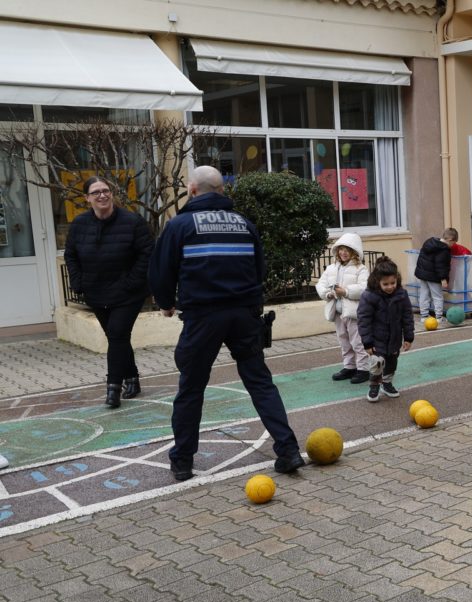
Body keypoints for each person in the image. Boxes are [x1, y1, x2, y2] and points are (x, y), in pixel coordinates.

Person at [149, 166, 304, 482]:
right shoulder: (244, 225)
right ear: (222, 191)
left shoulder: (179, 226)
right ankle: (288, 450)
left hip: (203, 318)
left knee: (191, 388)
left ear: (192, 190)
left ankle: (182, 462)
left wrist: (166, 303)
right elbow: (259, 270)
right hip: (244, 315)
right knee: (260, 382)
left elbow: (161, 271)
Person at [64, 176, 154, 408]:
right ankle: (132, 377)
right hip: (96, 292)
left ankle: (113, 388)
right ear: (87, 198)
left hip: (128, 293)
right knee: (118, 338)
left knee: (116, 334)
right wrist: (78, 282)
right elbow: (71, 255)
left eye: (106, 191)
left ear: (112, 194)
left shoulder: (132, 222)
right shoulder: (79, 224)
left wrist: (132, 282)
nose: (102, 195)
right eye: (96, 192)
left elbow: (147, 254)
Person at [316, 232, 370, 385]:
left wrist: (345, 291)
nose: (343, 252)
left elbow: (365, 288)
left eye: (347, 249)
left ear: (354, 252)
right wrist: (327, 294)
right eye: (341, 249)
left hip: (353, 313)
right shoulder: (332, 268)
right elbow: (321, 284)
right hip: (338, 312)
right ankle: (349, 366)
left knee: (357, 341)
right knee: (344, 340)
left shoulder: (361, 269)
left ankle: (363, 369)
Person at [358, 257, 414, 402]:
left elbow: (407, 317)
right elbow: (364, 320)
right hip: (377, 339)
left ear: (397, 279)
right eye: (385, 284)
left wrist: (408, 337)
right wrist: (368, 342)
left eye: (393, 283)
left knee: (392, 362)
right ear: (378, 282)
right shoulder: (369, 296)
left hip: (394, 338)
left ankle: (387, 383)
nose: (390, 287)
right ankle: (374, 385)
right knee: (377, 363)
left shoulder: (401, 294)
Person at [414, 228, 458, 321]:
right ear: (450, 240)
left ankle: (424, 316)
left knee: (424, 295)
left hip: (423, 274)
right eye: (453, 243)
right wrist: (443, 279)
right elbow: (441, 265)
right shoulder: (443, 249)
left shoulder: (430, 243)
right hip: (434, 276)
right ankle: (439, 317)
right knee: (437, 296)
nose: (452, 246)